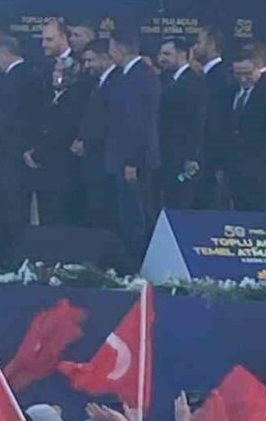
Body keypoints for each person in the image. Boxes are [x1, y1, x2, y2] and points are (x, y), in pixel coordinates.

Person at [0, 34, 37, 263]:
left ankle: (8, 258)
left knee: (8, 207)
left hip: (8, 153)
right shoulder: (32, 74)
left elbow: (3, 117)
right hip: (24, 151)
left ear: (5, 54)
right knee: (19, 206)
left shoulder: (11, 78)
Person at [105, 29, 160, 260]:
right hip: (123, 158)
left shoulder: (140, 76)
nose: (109, 54)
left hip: (135, 161)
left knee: (136, 215)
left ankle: (139, 262)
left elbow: (140, 123)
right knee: (126, 215)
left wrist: (132, 161)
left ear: (120, 48)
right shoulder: (128, 75)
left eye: (110, 49)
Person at [223, 41, 266, 212]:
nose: (242, 78)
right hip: (234, 171)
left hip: (263, 172)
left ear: (259, 69)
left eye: (247, 73)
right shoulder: (229, 92)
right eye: (238, 73)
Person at [27, 56, 86, 225]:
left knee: (60, 215)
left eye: (60, 71)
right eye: (55, 70)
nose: (55, 75)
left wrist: (38, 154)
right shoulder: (48, 96)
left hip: (63, 168)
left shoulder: (75, 98)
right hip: (44, 169)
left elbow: (62, 131)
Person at [156, 37, 206, 211]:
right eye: (160, 54)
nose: (161, 58)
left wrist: (191, 156)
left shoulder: (194, 82)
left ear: (182, 54)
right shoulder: (163, 81)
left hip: (183, 159)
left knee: (181, 205)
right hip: (164, 157)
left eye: (167, 54)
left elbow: (197, 121)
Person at [73, 39, 117, 230]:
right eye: (85, 61)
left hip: (105, 158)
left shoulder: (116, 82)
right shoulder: (98, 83)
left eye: (90, 60)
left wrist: (88, 142)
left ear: (105, 58)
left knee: (106, 211)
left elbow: (109, 121)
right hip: (93, 158)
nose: (86, 66)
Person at [194, 24, 232, 210]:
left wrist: (217, 163)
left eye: (198, 42)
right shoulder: (203, 76)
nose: (194, 48)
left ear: (211, 44)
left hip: (213, 161)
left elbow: (218, 122)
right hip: (202, 159)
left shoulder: (221, 77)